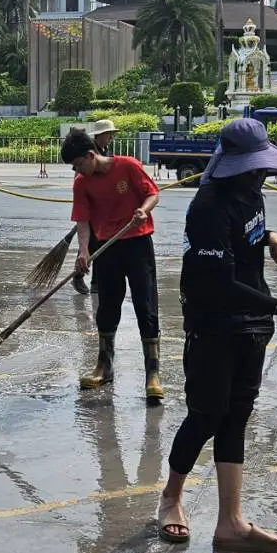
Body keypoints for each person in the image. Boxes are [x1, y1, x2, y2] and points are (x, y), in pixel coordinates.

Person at [156, 119, 277, 551]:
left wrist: (269, 236)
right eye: (255, 168)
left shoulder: (250, 191)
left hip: (252, 326)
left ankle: (231, 523)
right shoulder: (208, 207)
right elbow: (218, 283)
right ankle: (171, 498)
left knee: (235, 417)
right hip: (214, 326)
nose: (262, 174)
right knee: (206, 416)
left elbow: (244, 236)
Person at [63, 128, 163, 402]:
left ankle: (152, 373)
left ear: (90, 155)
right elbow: (82, 220)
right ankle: (104, 366)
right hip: (106, 248)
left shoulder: (128, 166)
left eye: (78, 164)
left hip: (138, 244)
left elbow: (153, 194)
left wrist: (144, 210)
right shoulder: (81, 183)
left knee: (146, 305)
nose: (77, 170)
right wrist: (83, 251)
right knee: (107, 307)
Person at [72, 119, 119, 296]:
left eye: (112, 135)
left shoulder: (105, 152)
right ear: (99, 135)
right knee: (91, 244)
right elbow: (79, 178)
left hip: (103, 208)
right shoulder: (87, 153)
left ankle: (96, 283)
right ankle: (79, 276)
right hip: (91, 205)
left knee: (100, 243)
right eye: (108, 135)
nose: (111, 138)